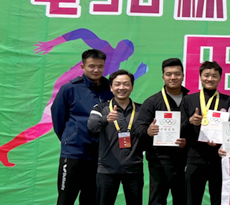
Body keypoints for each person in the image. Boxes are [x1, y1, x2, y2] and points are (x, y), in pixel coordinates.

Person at [1, 28, 146, 167]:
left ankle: (6, 148)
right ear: (118, 47)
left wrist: (137, 74)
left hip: (96, 139)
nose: (96, 69)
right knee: (44, 125)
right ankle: (6, 148)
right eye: (123, 50)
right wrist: (51, 43)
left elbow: (119, 87)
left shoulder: (111, 75)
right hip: (73, 91)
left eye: (127, 54)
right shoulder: (104, 49)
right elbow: (82, 32)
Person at [50, 49, 114, 205]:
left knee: (90, 201)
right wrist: (69, 139)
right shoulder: (69, 89)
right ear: (82, 66)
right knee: (65, 200)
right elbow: (58, 118)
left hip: (99, 155)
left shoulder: (110, 89)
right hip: (73, 154)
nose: (96, 70)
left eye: (100, 66)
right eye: (91, 66)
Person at [133, 58, 189, 205]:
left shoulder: (191, 100)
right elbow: (138, 129)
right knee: (157, 202)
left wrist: (187, 141)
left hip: (185, 160)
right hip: (159, 160)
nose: (173, 77)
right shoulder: (152, 101)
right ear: (163, 77)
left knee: (183, 203)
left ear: (183, 75)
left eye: (177, 74)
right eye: (169, 74)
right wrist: (148, 131)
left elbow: (197, 130)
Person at [87, 70, 144, 205]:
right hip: (107, 169)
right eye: (117, 84)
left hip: (134, 168)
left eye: (126, 84)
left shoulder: (141, 110)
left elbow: (147, 133)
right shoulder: (100, 108)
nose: (122, 88)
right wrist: (106, 120)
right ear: (111, 88)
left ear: (132, 87)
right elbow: (92, 126)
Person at [182, 61, 230, 205]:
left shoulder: (229, 101)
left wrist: (222, 142)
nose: (210, 79)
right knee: (191, 201)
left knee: (219, 201)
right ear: (200, 77)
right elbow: (179, 129)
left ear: (220, 78)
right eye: (206, 75)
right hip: (194, 157)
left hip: (218, 158)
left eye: (214, 76)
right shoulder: (189, 100)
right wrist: (190, 122)